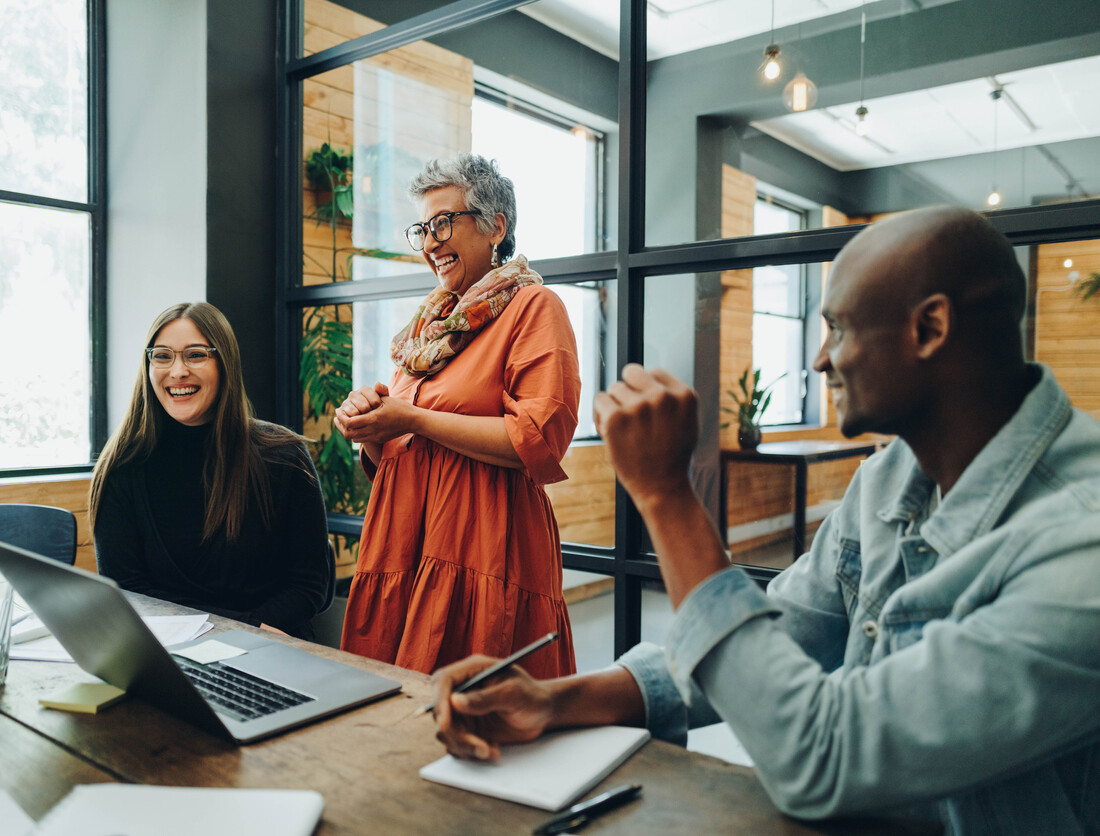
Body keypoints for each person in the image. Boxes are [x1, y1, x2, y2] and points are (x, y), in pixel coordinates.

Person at [428, 206, 1100, 833]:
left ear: (929, 329)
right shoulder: (890, 478)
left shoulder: (1081, 549)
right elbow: (777, 638)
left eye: (838, 328)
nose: (819, 360)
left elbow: (823, 755)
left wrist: (667, 497)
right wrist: (556, 702)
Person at [335, 153, 580, 678]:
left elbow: (536, 439)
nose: (429, 243)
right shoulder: (428, 328)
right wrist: (371, 426)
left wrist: (412, 419)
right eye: (422, 228)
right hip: (404, 544)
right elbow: (396, 456)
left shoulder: (534, 308)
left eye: (444, 222)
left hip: (484, 548)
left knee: (481, 717)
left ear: (496, 226)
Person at [89, 302, 333, 639]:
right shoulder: (121, 466)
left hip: (268, 648)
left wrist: (240, 636)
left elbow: (309, 586)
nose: (177, 372)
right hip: (166, 653)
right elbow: (127, 591)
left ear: (225, 363)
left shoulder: (283, 455)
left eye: (195, 355)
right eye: (162, 356)